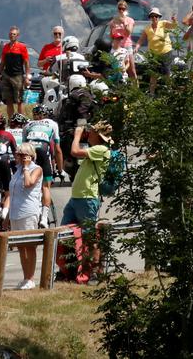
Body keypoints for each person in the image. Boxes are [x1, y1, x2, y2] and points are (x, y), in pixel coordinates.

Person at [63, 121, 112, 284]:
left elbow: (75, 151)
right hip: (77, 197)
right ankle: (69, 269)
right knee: (64, 235)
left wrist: (77, 135)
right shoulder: (93, 150)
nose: (88, 134)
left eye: (91, 132)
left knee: (90, 237)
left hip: (88, 198)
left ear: (98, 136)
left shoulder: (102, 149)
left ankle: (95, 272)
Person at [6, 143, 43, 290]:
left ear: (29, 156)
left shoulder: (36, 169)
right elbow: (13, 195)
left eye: (21, 155)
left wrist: (27, 166)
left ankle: (31, 278)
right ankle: (25, 277)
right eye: (17, 154)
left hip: (28, 212)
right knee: (21, 247)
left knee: (30, 246)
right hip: (15, 212)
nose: (18, 157)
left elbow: (29, 183)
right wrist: (7, 217)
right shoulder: (17, 170)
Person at [137, 8, 176, 93]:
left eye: (156, 16)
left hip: (166, 52)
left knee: (167, 73)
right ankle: (151, 93)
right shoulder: (147, 28)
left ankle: (169, 91)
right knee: (153, 74)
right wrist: (136, 47)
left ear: (159, 17)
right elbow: (141, 40)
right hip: (153, 55)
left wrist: (174, 21)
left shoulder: (163, 23)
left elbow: (173, 26)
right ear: (150, 17)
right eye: (152, 16)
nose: (154, 18)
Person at [0, 27, 31, 117]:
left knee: (19, 100)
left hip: (18, 76)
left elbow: (27, 62)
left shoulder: (22, 47)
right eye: (11, 34)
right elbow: (3, 62)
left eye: (14, 34)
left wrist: (27, 77)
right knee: (8, 100)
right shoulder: (6, 47)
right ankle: (11, 120)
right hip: (7, 75)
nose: (12, 35)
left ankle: (21, 120)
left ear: (17, 36)